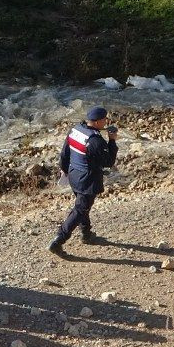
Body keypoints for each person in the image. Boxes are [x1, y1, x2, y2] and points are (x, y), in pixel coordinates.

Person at [49, 106, 119, 256]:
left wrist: (65, 170)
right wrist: (112, 141)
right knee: (81, 209)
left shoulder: (76, 130)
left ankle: (86, 234)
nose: (106, 122)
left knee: (83, 206)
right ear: (99, 121)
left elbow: (65, 152)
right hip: (87, 180)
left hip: (74, 175)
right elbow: (108, 162)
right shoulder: (95, 140)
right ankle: (58, 240)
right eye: (105, 119)